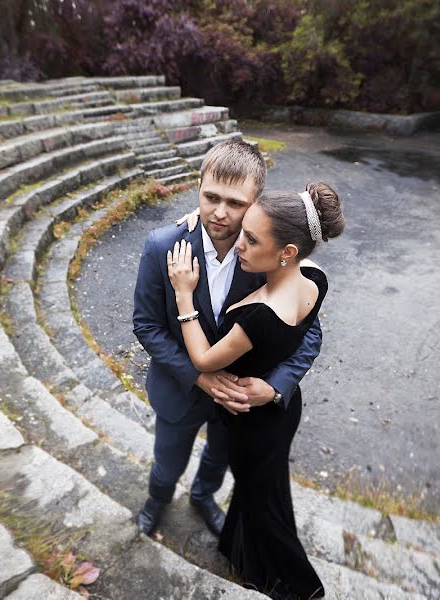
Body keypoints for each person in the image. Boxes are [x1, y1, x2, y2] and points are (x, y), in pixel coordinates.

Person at [132, 140, 323, 539]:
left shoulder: (268, 254)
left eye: (235, 203)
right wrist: (199, 376)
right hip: (179, 390)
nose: (219, 213)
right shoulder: (162, 246)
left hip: (237, 402)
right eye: (210, 197)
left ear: (256, 203)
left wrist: (275, 387)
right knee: (166, 461)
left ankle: (203, 497)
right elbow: (147, 326)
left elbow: (309, 331)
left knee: (218, 459)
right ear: (198, 186)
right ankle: (158, 499)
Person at [166, 182, 345, 599]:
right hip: (283, 410)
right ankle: (239, 552)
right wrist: (205, 224)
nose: (239, 243)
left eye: (250, 238)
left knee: (264, 502)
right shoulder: (315, 279)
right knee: (263, 488)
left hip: (252, 419)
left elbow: (205, 361)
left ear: (287, 252)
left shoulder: (258, 315)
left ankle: (302, 588)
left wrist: (183, 296)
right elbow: (303, 332)